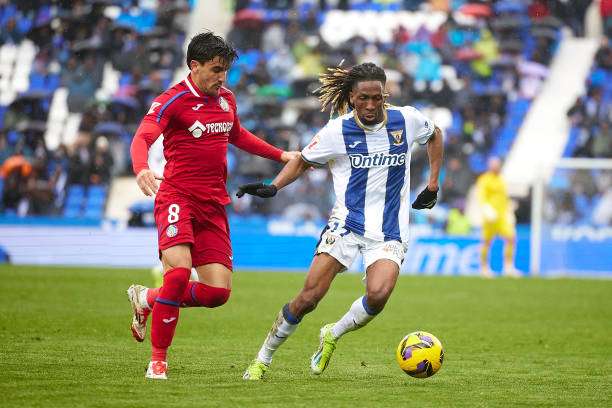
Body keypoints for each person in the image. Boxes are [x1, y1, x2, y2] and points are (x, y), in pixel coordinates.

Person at [237, 62, 444, 380]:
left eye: (378, 98)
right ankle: (262, 359)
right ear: (351, 96)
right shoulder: (336, 131)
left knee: (378, 295)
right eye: (364, 98)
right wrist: (273, 187)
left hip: (389, 229)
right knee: (309, 298)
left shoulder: (407, 119)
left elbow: (435, 135)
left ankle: (333, 333)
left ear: (384, 95)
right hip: (346, 224)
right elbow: (303, 161)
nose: (371, 105)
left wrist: (432, 184)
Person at [125, 31, 297, 380]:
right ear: (195, 66)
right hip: (176, 197)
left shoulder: (227, 99)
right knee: (177, 274)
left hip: (212, 204)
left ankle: (147, 299)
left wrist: (280, 154)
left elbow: (236, 134)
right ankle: (159, 360)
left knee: (217, 292)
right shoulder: (172, 100)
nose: (222, 77)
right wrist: (142, 167)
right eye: (217, 69)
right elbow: (143, 136)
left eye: (226, 71)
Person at [476, 157, 519, 278]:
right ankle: (484, 268)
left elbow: (504, 197)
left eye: (497, 165)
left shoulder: (501, 179)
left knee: (511, 238)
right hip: (490, 217)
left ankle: (508, 267)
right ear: (490, 166)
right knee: (486, 242)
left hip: (502, 216)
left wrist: (509, 211)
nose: (496, 167)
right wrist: (486, 209)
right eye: (493, 165)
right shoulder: (484, 179)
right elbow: (482, 197)